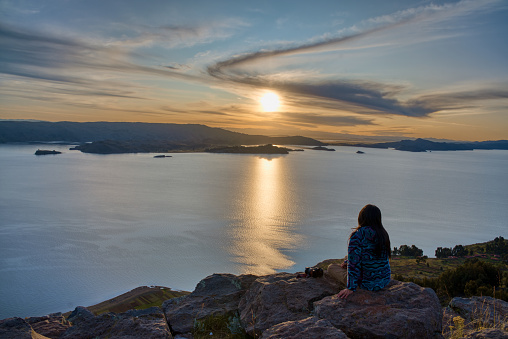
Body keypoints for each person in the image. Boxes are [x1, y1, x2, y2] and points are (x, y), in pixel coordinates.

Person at [327, 204, 391, 299]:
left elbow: (354, 264)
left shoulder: (358, 235)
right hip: (384, 280)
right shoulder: (383, 233)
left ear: (361, 218)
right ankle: (346, 263)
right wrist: (347, 262)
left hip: (366, 283)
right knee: (347, 258)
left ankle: (346, 266)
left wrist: (351, 288)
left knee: (331, 267)